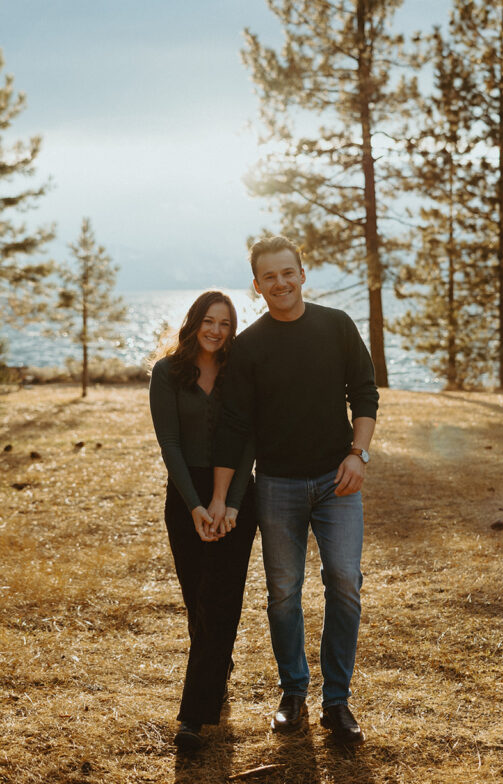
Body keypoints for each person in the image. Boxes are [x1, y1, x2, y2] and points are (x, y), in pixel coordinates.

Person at [211, 236, 378, 747]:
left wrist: (359, 453)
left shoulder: (337, 326)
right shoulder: (250, 347)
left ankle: (337, 703)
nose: (280, 283)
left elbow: (365, 392)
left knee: (345, 582)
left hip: (337, 481)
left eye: (289, 272)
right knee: (284, 594)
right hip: (278, 486)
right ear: (256, 286)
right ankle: (293, 695)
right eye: (269, 277)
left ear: (302, 274)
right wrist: (221, 498)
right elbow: (234, 429)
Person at [149, 290, 256, 751]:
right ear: (194, 322)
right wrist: (195, 505)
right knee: (198, 600)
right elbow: (170, 445)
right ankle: (216, 668)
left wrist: (229, 503)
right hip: (185, 495)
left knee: (221, 599)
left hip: (236, 495)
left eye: (226, 324)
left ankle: (193, 717)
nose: (216, 330)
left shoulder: (239, 373)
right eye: (209, 321)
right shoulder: (167, 373)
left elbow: (250, 439)